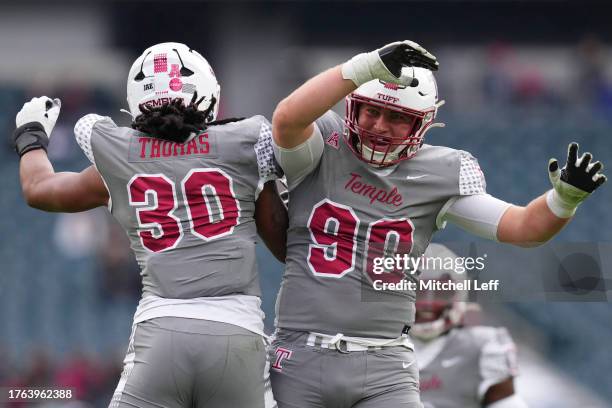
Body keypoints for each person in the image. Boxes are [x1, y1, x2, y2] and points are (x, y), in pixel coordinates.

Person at [269, 40, 606, 408]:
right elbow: (287, 119)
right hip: (302, 352)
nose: (381, 126)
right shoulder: (323, 144)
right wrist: (364, 68)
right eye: (371, 111)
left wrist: (562, 200)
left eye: (398, 117)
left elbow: (523, 227)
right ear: (353, 106)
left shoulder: (441, 172)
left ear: (422, 123)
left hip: (385, 363)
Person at [14, 42, 286, 408]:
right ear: (208, 94)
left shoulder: (121, 159)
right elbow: (287, 245)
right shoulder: (245, 143)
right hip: (236, 332)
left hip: (161, 333)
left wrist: (31, 136)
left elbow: (39, 190)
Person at [413, 244, 527, 408]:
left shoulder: (481, 347)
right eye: (419, 291)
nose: (427, 304)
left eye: (439, 292)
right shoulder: (375, 348)